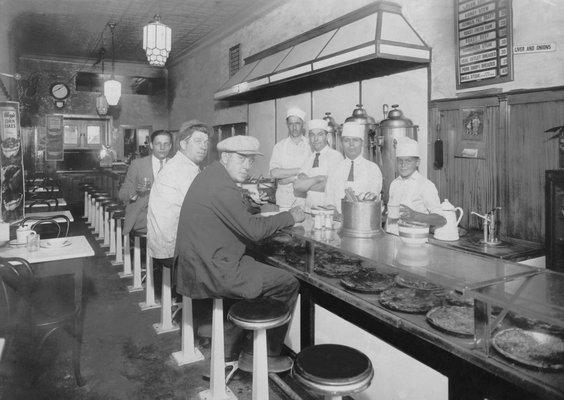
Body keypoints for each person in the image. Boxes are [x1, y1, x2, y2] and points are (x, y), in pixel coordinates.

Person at [175, 135, 305, 372]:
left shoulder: (212, 175)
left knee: (257, 264)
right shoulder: (221, 185)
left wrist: (250, 204)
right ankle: (260, 355)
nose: (247, 166)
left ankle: (236, 340)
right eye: (242, 159)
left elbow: (229, 211)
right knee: (286, 282)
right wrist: (290, 216)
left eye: (251, 161)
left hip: (198, 262)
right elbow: (254, 231)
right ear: (225, 157)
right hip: (212, 268)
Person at [147, 121, 210, 297]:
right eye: (198, 141)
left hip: (165, 245)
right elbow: (202, 207)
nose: (204, 147)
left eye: (206, 142)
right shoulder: (183, 169)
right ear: (183, 144)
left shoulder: (182, 164)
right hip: (173, 249)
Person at [385, 137, 446, 234]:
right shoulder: (394, 184)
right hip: (392, 240)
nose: (403, 165)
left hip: (415, 241)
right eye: (400, 161)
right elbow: (390, 217)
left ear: (417, 162)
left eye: (408, 161)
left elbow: (441, 220)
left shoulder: (426, 185)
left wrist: (414, 215)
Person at [118, 130, 172, 234]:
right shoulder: (137, 165)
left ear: (170, 146)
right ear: (151, 145)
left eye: (166, 144)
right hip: (144, 217)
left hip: (169, 218)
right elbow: (122, 194)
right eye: (158, 144)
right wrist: (136, 191)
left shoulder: (175, 166)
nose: (162, 147)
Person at [325, 122, 383, 212]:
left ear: (362, 143)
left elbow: (372, 200)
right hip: (338, 223)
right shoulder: (335, 169)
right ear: (341, 143)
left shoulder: (373, 169)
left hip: (363, 221)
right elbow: (329, 199)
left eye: (355, 140)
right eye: (347, 140)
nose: (351, 144)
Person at [293, 119, 343, 209]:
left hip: (328, 211)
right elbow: (297, 185)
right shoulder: (309, 159)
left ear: (326, 136)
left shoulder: (335, 156)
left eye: (320, 135)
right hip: (309, 210)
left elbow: (332, 186)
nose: (315, 139)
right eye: (312, 135)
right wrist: (319, 178)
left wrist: (306, 183)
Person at [269, 107, 311, 209]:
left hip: (304, 198)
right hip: (284, 198)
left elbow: (313, 173)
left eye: (297, 123)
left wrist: (290, 179)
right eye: (291, 124)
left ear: (303, 125)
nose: (294, 127)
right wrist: (300, 170)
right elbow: (274, 173)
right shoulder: (280, 146)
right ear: (287, 125)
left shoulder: (310, 145)